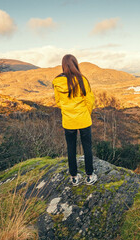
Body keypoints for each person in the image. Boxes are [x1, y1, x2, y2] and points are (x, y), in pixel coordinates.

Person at [52, 54, 97, 186]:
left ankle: (74, 177)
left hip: (68, 121)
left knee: (71, 148)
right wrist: (85, 113)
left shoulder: (57, 82)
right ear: (75, 64)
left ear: (63, 65)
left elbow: (58, 102)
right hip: (83, 119)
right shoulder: (82, 79)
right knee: (87, 147)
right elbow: (90, 100)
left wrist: (67, 111)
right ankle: (89, 176)